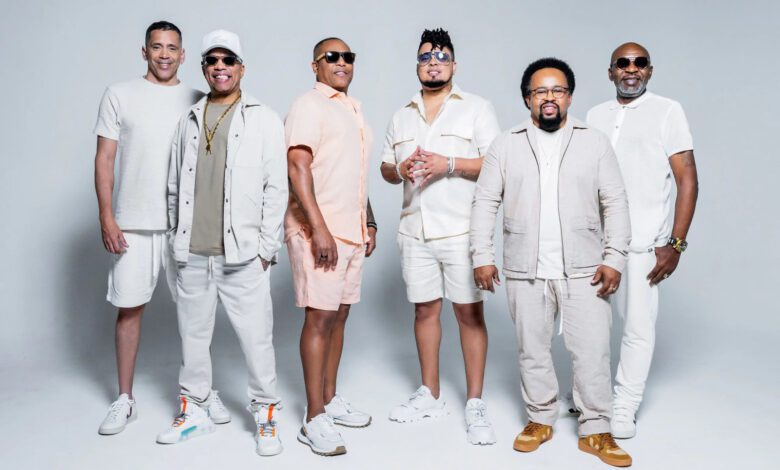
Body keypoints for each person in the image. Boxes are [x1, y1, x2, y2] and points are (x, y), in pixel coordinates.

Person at [470, 58, 633, 467]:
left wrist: (614, 258)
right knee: (532, 350)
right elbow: (485, 202)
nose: (549, 97)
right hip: (524, 266)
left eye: (557, 90)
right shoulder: (506, 144)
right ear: (527, 98)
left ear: (569, 97)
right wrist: (482, 257)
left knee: (592, 352)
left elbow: (615, 201)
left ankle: (596, 429)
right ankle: (540, 419)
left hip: (585, 267)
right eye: (540, 91)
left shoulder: (593, 141)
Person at [157, 30, 288, 457]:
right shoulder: (189, 119)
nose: (219, 67)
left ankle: (266, 414)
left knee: (257, 340)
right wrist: (175, 237)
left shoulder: (264, 119)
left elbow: (276, 188)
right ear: (203, 68)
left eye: (228, 60)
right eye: (212, 60)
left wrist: (266, 249)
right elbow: (174, 185)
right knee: (192, 340)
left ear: (241, 68)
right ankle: (194, 411)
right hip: (192, 253)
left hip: (242, 255)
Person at [379, 28, 501, 445]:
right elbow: (385, 168)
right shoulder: (402, 115)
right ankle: (429, 394)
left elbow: (495, 164)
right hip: (415, 230)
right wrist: (400, 168)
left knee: (469, 314)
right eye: (426, 57)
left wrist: (447, 163)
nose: (434, 63)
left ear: (454, 64)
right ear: (417, 65)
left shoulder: (477, 108)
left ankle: (475, 402)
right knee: (424, 311)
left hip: (461, 230)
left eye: (442, 56)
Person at [94, 20, 203, 436]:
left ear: (183, 54)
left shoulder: (197, 98)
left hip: (183, 225)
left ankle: (199, 396)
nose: (164, 54)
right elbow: (105, 158)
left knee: (195, 314)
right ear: (144, 52)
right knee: (129, 308)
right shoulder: (119, 94)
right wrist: (107, 215)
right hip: (133, 223)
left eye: (172, 48)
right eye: (157, 47)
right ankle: (125, 398)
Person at [586, 42, 699, 439]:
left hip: (643, 244)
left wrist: (676, 244)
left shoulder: (668, 111)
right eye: (623, 63)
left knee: (637, 328)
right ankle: (593, 398)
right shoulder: (595, 115)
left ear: (649, 70)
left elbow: (688, 179)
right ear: (611, 72)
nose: (631, 69)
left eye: (639, 63)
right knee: (591, 327)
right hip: (597, 243)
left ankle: (625, 405)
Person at [285, 37, 377, 456]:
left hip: (351, 231)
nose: (342, 62)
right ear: (315, 65)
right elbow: (297, 166)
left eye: (348, 57)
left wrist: (368, 221)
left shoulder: (352, 108)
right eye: (332, 57)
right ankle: (313, 417)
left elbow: (353, 173)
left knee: (340, 317)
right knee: (319, 318)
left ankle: (330, 398)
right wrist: (319, 229)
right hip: (320, 231)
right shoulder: (309, 104)